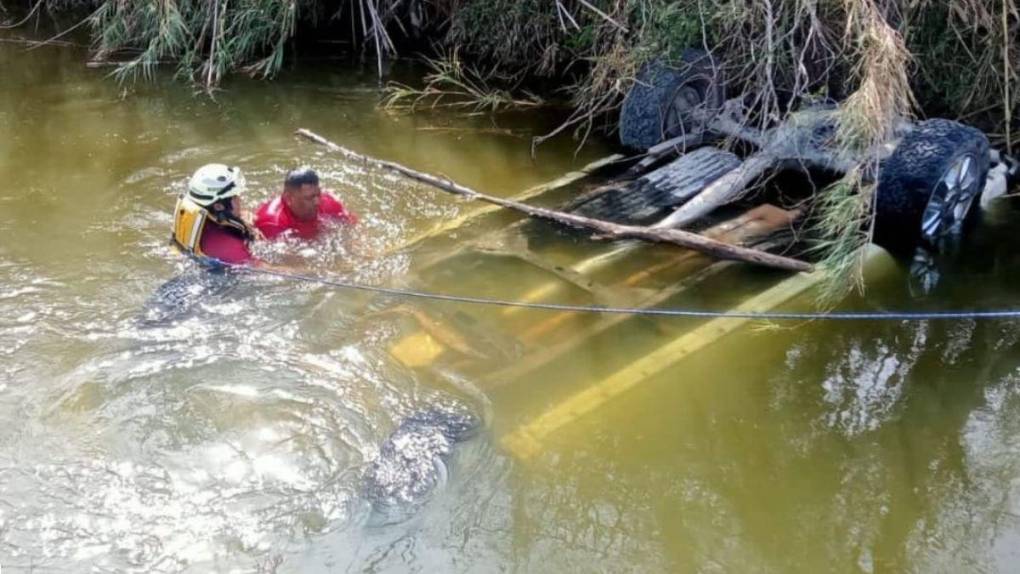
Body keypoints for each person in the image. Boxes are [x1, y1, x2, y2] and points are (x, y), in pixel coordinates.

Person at [171, 163, 258, 266]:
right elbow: (264, 269)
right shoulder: (228, 244)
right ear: (218, 206)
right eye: (235, 197)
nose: (240, 199)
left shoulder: (202, 219)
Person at [254, 167, 357, 241]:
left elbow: (353, 226)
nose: (317, 202)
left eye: (318, 195)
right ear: (289, 198)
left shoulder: (328, 201)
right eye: (309, 198)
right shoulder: (271, 223)